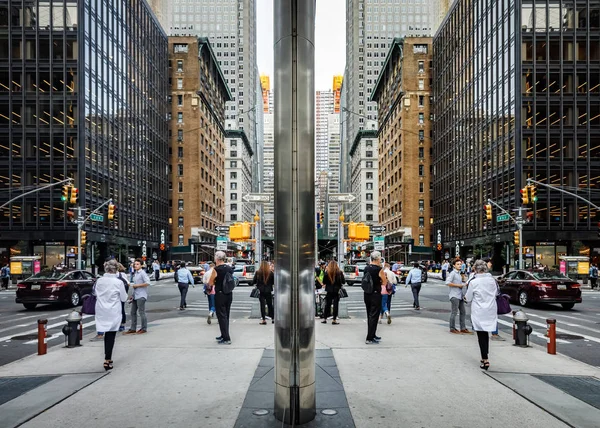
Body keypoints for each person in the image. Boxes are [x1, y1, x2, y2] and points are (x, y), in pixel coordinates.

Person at [464, 259, 498, 370]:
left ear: (475, 269)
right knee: (486, 333)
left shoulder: (474, 282)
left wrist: (465, 298)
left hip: (479, 310)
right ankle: (485, 356)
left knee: (481, 335)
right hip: (491, 309)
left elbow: (468, 298)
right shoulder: (492, 280)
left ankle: (485, 358)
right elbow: (496, 293)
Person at [94, 259, 128, 371]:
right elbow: (123, 298)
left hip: (101, 310)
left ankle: (107, 357)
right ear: (116, 269)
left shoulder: (99, 281)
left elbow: (95, 293)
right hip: (113, 310)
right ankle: (107, 359)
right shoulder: (118, 282)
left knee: (104, 332)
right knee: (110, 335)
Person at [209, 251, 234, 345]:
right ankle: (224, 334)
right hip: (229, 294)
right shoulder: (229, 268)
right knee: (226, 315)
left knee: (221, 316)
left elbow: (211, 282)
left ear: (217, 259)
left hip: (220, 294)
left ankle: (226, 338)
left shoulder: (216, 269)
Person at [363, 251, 387, 344]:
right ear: (377, 259)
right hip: (375, 294)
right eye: (380, 258)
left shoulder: (366, 268)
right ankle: (369, 337)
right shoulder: (379, 269)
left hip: (367, 293)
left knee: (369, 314)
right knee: (374, 315)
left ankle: (372, 334)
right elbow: (384, 282)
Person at [123, 258, 150, 335]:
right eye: (135, 264)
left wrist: (137, 285)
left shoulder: (142, 273)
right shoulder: (136, 273)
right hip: (136, 295)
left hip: (141, 295)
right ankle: (133, 328)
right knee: (132, 312)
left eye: (138, 264)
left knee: (141, 312)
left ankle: (144, 328)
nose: (136, 265)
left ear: (141, 265)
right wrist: (132, 295)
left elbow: (147, 282)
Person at [446, 258, 472, 334]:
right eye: (457, 264)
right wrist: (459, 285)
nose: (459, 265)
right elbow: (447, 283)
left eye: (460, 264)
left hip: (459, 295)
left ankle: (463, 328)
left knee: (463, 312)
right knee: (454, 312)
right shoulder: (453, 273)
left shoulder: (459, 273)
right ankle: (452, 328)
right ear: (454, 265)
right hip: (454, 296)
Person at [321, 260, 345, 325]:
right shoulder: (339, 272)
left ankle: (324, 319)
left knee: (327, 305)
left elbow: (324, 282)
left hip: (329, 290)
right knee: (335, 305)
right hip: (336, 291)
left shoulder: (327, 272)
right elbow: (343, 282)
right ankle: (334, 320)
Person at [253, 261, 275, 325]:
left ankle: (264, 319)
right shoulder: (270, 273)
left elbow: (254, 281)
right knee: (270, 305)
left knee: (262, 305)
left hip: (261, 291)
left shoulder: (258, 272)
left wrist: (258, 284)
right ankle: (273, 318)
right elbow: (273, 282)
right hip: (268, 291)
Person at [116, 263, 130, 331]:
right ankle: (121, 324)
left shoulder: (121, 274)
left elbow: (128, 283)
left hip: (120, 294)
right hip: (121, 293)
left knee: (121, 309)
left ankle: (121, 324)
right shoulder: (122, 274)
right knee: (121, 309)